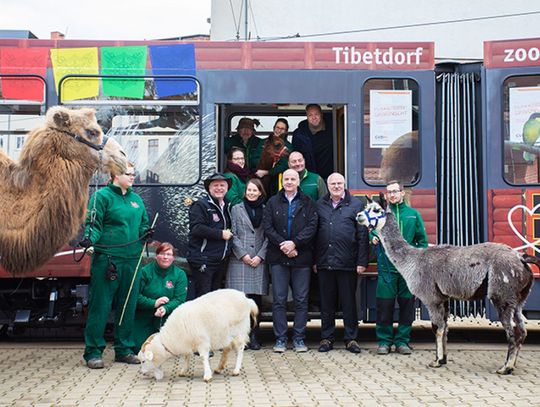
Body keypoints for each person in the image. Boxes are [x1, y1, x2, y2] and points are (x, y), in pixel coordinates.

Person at [81, 163, 151, 369]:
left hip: (133, 259)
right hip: (108, 259)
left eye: (133, 173)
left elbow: (144, 224)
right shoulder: (101, 197)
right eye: (128, 174)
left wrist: (146, 233)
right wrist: (89, 240)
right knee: (100, 306)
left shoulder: (136, 199)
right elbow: (93, 224)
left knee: (128, 306)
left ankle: (124, 349)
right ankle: (93, 352)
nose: (132, 177)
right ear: (114, 175)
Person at [263, 169, 318, 353]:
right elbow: (268, 227)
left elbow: (312, 226)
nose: (289, 182)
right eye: (286, 179)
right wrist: (283, 245)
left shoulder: (308, 202)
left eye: (292, 179)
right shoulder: (272, 202)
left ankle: (299, 339)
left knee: (301, 300)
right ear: (282, 181)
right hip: (278, 257)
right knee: (279, 300)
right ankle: (280, 339)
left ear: (298, 181)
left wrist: (294, 243)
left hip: (301, 257)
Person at [371, 180, 428, 355]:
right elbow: (372, 231)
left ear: (402, 193)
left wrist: (416, 261)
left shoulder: (413, 214)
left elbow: (422, 241)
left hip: (408, 272)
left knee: (406, 307)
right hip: (386, 270)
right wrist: (373, 237)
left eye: (396, 191)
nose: (393, 195)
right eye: (389, 192)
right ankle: (384, 342)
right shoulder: (381, 215)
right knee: (384, 306)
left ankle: (403, 341)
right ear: (386, 195)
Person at [315, 173, 369, 354]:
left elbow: (362, 235)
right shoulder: (319, 205)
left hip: (348, 263)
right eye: (333, 184)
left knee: (349, 304)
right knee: (326, 304)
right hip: (324, 262)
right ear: (328, 186)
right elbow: (314, 235)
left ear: (344, 184)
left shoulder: (356, 205)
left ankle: (351, 339)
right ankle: (326, 338)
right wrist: (315, 261)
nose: (336, 186)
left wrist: (362, 261)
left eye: (339, 183)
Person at [226, 178, 268, 350]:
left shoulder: (266, 210)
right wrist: (243, 254)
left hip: (258, 260)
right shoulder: (236, 209)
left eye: (254, 190)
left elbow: (268, 236)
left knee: (255, 302)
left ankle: (254, 335)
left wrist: (260, 256)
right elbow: (232, 234)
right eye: (249, 190)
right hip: (239, 261)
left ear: (260, 193)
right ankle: (238, 337)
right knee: (238, 302)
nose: (251, 193)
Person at [133, 242, 188, 353]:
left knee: (168, 350)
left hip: (167, 319)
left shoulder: (180, 274)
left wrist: (165, 308)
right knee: (141, 348)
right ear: (156, 255)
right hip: (144, 317)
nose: (165, 257)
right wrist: (154, 303)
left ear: (173, 257)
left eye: (169, 254)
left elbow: (179, 300)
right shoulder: (144, 272)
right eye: (162, 254)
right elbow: (135, 297)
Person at [186, 173, 233, 298]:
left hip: (219, 261)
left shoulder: (227, 205)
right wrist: (221, 234)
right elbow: (196, 228)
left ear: (227, 188)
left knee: (214, 299)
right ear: (209, 188)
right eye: (215, 185)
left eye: (222, 185)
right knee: (203, 298)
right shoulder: (201, 205)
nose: (219, 188)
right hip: (203, 260)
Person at [292, 104, 334, 180]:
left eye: (316, 114)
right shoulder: (298, 135)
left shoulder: (334, 128)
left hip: (331, 177)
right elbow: (295, 157)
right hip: (308, 178)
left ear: (321, 114)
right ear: (307, 117)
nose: (314, 117)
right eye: (310, 115)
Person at [255, 118, 293, 195]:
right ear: (274, 128)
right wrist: (261, 167)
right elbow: (254, 158)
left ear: (286, 131)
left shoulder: (288, 147)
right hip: (260, 177)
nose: (279, 130)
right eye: (277, 127)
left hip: (278, 180)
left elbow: (284, 165)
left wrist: (268, 172)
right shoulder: (263, 142)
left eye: (282, 129)